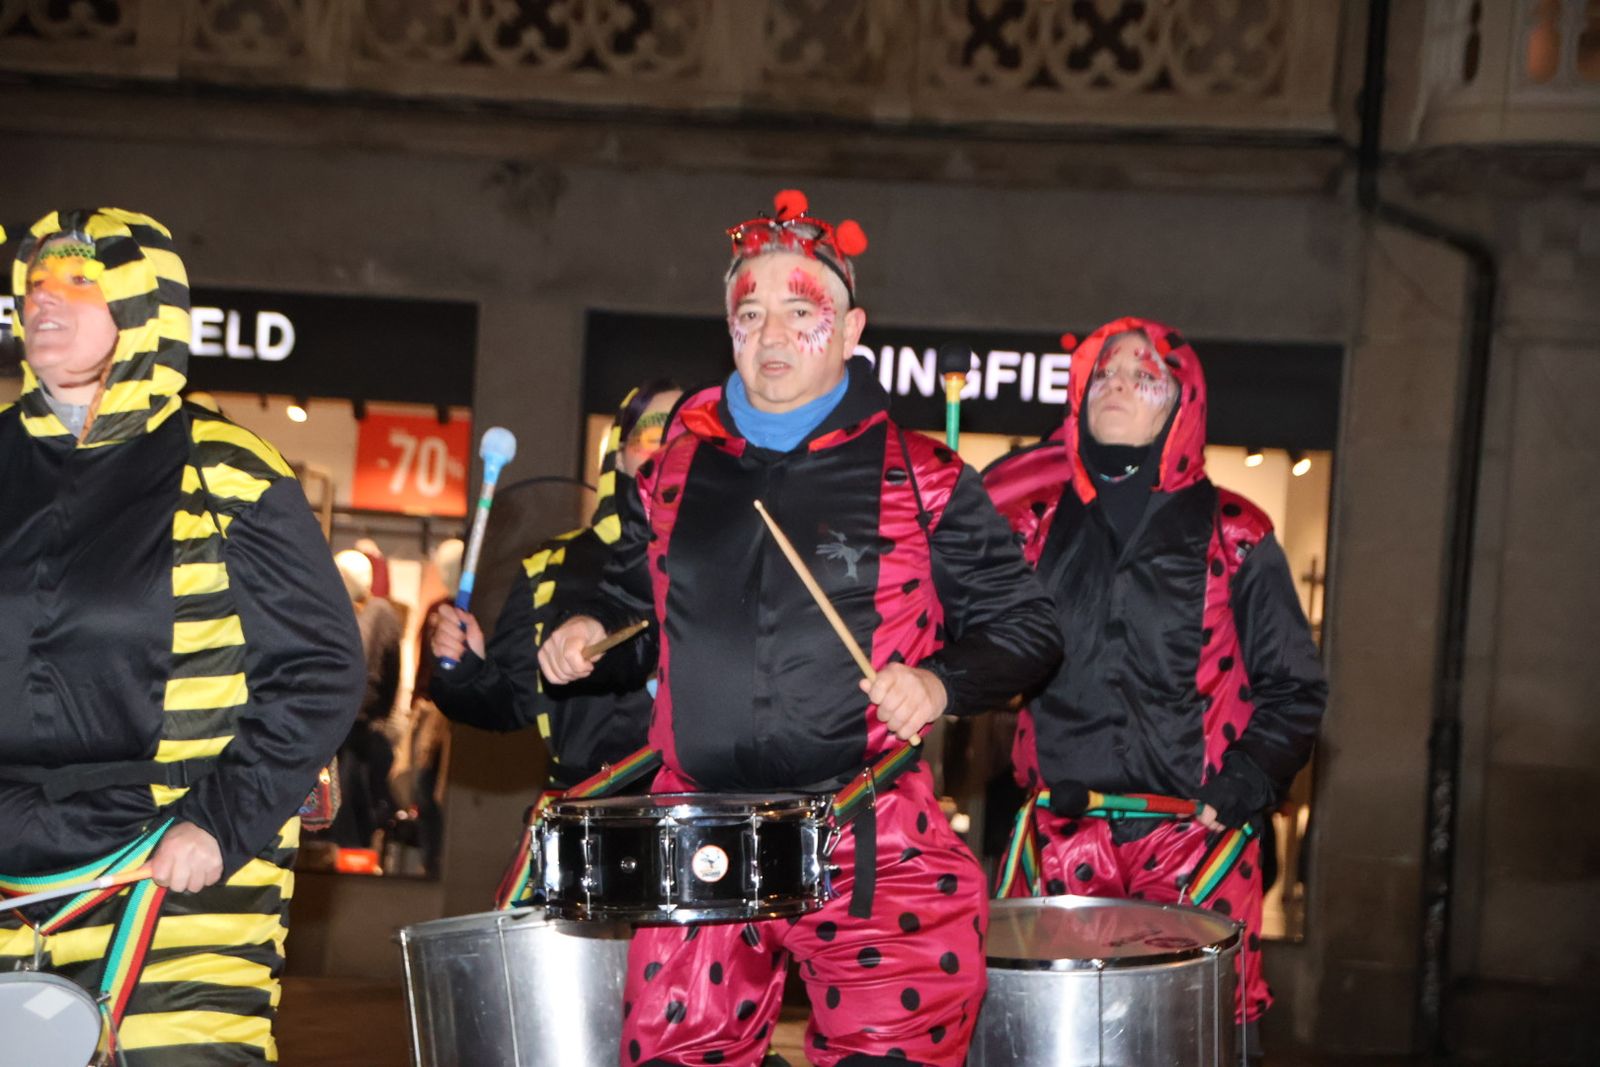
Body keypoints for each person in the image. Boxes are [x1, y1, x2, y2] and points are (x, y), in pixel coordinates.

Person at [539, 190, 1060, 1067]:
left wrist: (938, 682)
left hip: (870, 831)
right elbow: (622, 587)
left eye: (799, 312)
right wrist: (581, 626)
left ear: (853, 328)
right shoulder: (673, 466)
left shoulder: (921, 474)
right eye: (750, 314)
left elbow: (1028, 626)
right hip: (698, 832)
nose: (771, 336)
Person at [0, 208, 363, 1063]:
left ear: (143, 305)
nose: (43, 297)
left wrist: (219, 822)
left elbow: (320, 668)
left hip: (172, 870)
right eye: (33, 281)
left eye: (81, 279)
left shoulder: (223, 464)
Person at [982, 316, 1327, 1053]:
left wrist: (1245, 780)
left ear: (1182, 403)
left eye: (1143, 375)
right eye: (1102, 373)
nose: (1116, 385)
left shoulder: (1240, 532)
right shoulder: (1033, 526)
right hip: (1059, 840)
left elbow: (1295, 686)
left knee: (1188, 1044)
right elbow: (980, 647)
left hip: (1192, 847)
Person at [428, 380, 681, 794]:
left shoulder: (731, 562)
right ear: (618, 456)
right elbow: (511, 702)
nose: (664, 452)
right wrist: (467, 670)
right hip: (583, 821)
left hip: (707, 821)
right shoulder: (553, 567)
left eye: (682, 438)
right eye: (651, 436)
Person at [325, 548, 402, 850]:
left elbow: (391, 669)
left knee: (351, 789)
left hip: (359, 723)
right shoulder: (336, 611)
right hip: (334, 720)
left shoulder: (379, 613)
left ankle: (353, 851)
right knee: (338, 791)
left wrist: (380, 714)